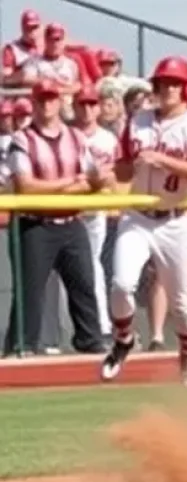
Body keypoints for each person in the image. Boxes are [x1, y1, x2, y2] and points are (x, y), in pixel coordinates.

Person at [100, 57, 187, 385]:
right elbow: (126, 167)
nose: (168, 88)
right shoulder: (138, 120)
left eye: (175, 83)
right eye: (163, 82)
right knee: (121, 284)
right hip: (138, 217)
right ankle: (123, 339)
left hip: (173, 220)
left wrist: (163, 160)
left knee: (180, 300)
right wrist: (107, 172)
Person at [2, 79, 108, 355]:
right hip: (35, 223)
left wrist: (91, 180)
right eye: (41, 99)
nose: (47, 104)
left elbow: (93, 181)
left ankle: (90, 340)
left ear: (60, 102)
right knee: (30, 291)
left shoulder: (77, 138)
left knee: (84, 285)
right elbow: (26, 185)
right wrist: (71, 182)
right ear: (34, 103)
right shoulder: (22, 139)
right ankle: (22, 345)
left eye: (51, 99)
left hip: (71, 221)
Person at [72, 84, 119, 340]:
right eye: (83, 104)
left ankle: (101, 326)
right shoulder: (68, 135)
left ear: (98, 108)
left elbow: (115, 174)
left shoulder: (107, 139)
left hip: (96, 210)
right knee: (68, 272)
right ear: (75, 107)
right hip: (68, 210)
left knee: (93, 267)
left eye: (92, 104)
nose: (87, 109)